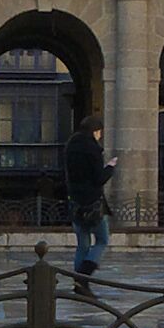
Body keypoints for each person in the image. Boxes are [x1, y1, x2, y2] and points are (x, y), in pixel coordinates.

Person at [63, 109, 115, 287]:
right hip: (92, 202)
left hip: (75, 201)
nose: (100, 136)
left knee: (83, 244)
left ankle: (79, 281)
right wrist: (110, 167)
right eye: (100, 132)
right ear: (95, 131)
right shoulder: (93, 149)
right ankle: (84, 274)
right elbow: (99, 178)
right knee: (102, 240)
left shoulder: (70, 146)